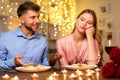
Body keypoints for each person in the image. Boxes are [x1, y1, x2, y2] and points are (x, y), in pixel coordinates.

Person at [0, 1, 49, 70]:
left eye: (38, 17)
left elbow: (45, 65)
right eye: (33, 17)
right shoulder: (4, 38)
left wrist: (52, 61)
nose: (37, 21)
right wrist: (13, 62)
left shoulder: (42, 40)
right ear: (22, 19)